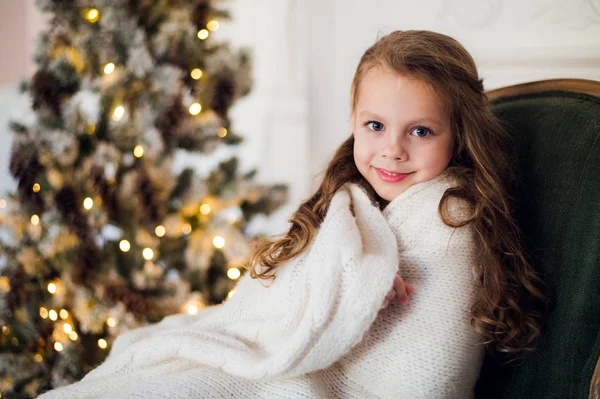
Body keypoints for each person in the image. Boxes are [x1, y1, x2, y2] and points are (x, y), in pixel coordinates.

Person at [38, 30, 546, 399]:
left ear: (459, 135)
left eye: (420, 131)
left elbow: (426, 358)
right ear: (354, 122)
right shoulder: (352, 197)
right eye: (375, 125)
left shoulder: (449, 217)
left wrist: (361, 289)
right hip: (285, 356)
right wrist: (348, 276)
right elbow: (288, 289)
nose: (391, 150)